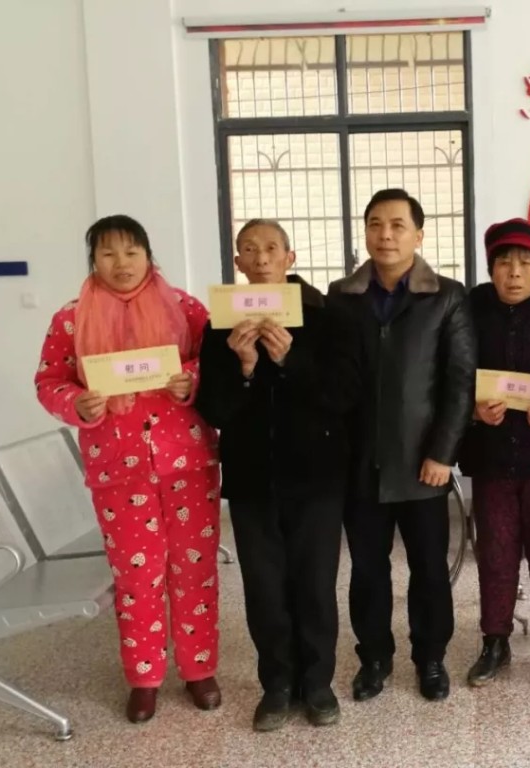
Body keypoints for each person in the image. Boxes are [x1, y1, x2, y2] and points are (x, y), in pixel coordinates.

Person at [34, 215, 221, 724]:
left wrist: (191, 379)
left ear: (148, 255)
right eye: (108, 253)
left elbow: (218, 362)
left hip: (186, 461)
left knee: (194, 568)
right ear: (93, 260)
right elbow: (49, 380)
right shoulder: (71, 319)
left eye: (131, 251)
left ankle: (199, 669)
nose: (121, 263)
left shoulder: (185, 308)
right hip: (118, 467)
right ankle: (144, 677)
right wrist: (77, 403)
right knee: (137, 575)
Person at [195, 220, 361, 731]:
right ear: (238, 263)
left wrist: (291, 359)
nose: (261, 258)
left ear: (290, 257)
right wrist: (244, 367)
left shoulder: (327, 316)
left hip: (316, 476)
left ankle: (318, 684)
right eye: (250, 250)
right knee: (264, 588)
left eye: (271, 248)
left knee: (315, 583)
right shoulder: (220, 325)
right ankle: (277, 685)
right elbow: (213, 408)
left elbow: (344, 396)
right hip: (252, 478)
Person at [328, 188, 475, 703]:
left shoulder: (447, 296)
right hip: (359, 462)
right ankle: (374, 658)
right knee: (367, 570)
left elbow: (460, 382)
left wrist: (443, 453)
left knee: (429, 569)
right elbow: (331, 379)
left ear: (419, 234)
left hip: (422, 464)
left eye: (397, 225)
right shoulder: (341, 296)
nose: (385, 235)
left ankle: (430, 658)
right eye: (375, 224)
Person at [459, 219, 530, 689]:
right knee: (495, 553)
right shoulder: (470, 316)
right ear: (491, 269)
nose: (514, 272)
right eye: (504, 263)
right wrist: (472, 410)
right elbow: (453, 375)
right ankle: (494, 641)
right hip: (492, 459)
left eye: (525, 263)